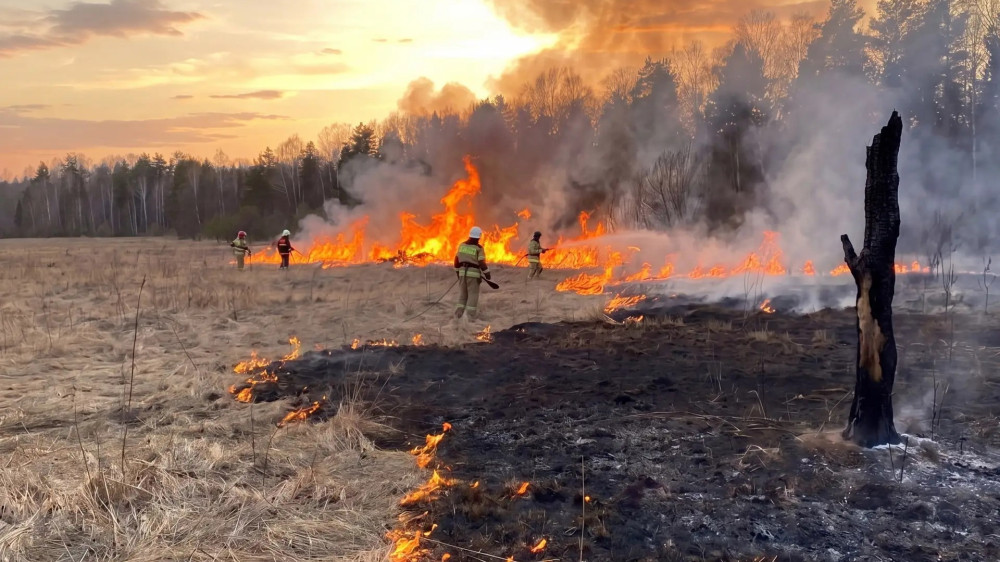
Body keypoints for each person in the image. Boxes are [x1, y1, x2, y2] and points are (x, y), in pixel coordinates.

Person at [453, 226, 491, 319]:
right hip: (473, 275)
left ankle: (458, 315)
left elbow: (456, 260)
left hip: (462, 273)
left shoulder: (462, 245)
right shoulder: (479, 248)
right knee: (472, 296)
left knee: (463, 295)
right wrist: (487, 273)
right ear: (479, 237)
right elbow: (481, 262)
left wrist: (458, 273)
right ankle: (469, 317)